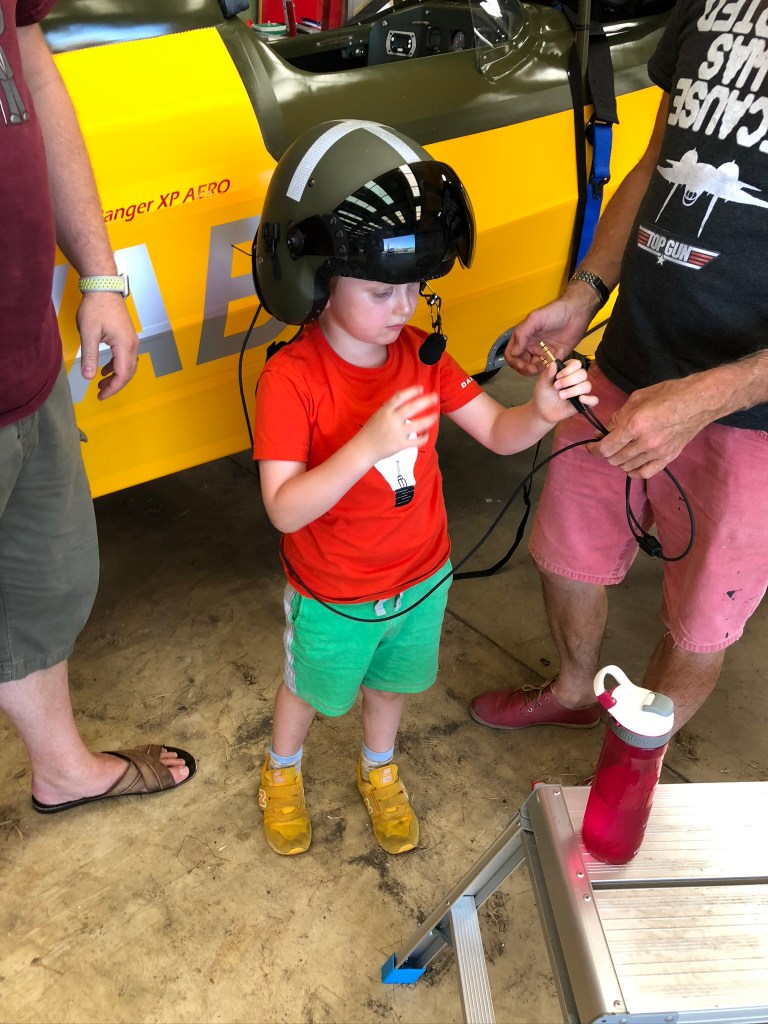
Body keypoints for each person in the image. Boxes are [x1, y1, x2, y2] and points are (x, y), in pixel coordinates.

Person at [250, 119, 595, 856]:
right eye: (381, 290)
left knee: (392, 687)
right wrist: (364, 447)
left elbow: (498, 432)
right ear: (316, 278)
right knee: (310, 689)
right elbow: (284, 508)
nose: (404, 306)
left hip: (422, 579)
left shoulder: (421, 356)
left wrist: (541, 411)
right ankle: (282, 769)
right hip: (334, 594)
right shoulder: (291, 379)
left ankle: (379, 767)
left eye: (414, 286)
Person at [469, 0, 768, 738]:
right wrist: (586, 291)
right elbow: (655, 163)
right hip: (629, 354)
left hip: (751, 415)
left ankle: (633, 762)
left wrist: (706, 397)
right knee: (565, 549)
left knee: (702, 616)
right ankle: (575, 692)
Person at [1, 0, 195, 812]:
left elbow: (30, 65)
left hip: (22, 350)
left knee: (47, 579)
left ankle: (62, 767)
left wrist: (101, 275)